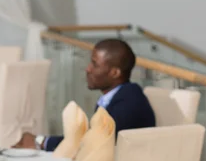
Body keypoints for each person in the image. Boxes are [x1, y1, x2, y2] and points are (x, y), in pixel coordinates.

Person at [15, 38, 155, 151]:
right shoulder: (117, 96)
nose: (88, 69)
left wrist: (41, 141)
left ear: (115, 73)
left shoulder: (129, 102)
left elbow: (90, 143)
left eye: (95, 64)